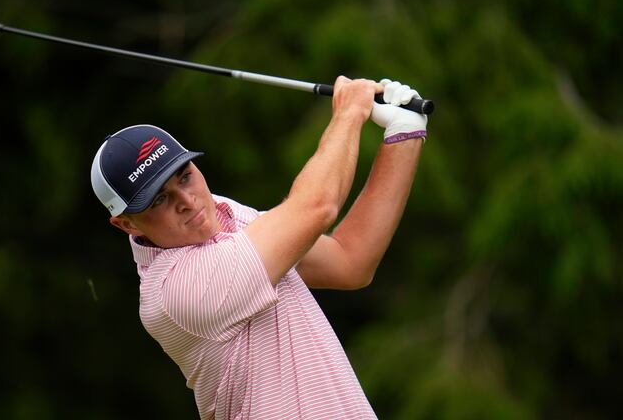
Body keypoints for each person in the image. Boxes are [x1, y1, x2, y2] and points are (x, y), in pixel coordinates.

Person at [90, 77, 427, 419]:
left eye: (185, 176)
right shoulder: (175, 291)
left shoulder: (229, 218)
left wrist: (404, 134)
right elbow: (316, 207)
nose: (188, 202)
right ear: (126, 224)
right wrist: (350, 112)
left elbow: (349, 259)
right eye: (160, 199)